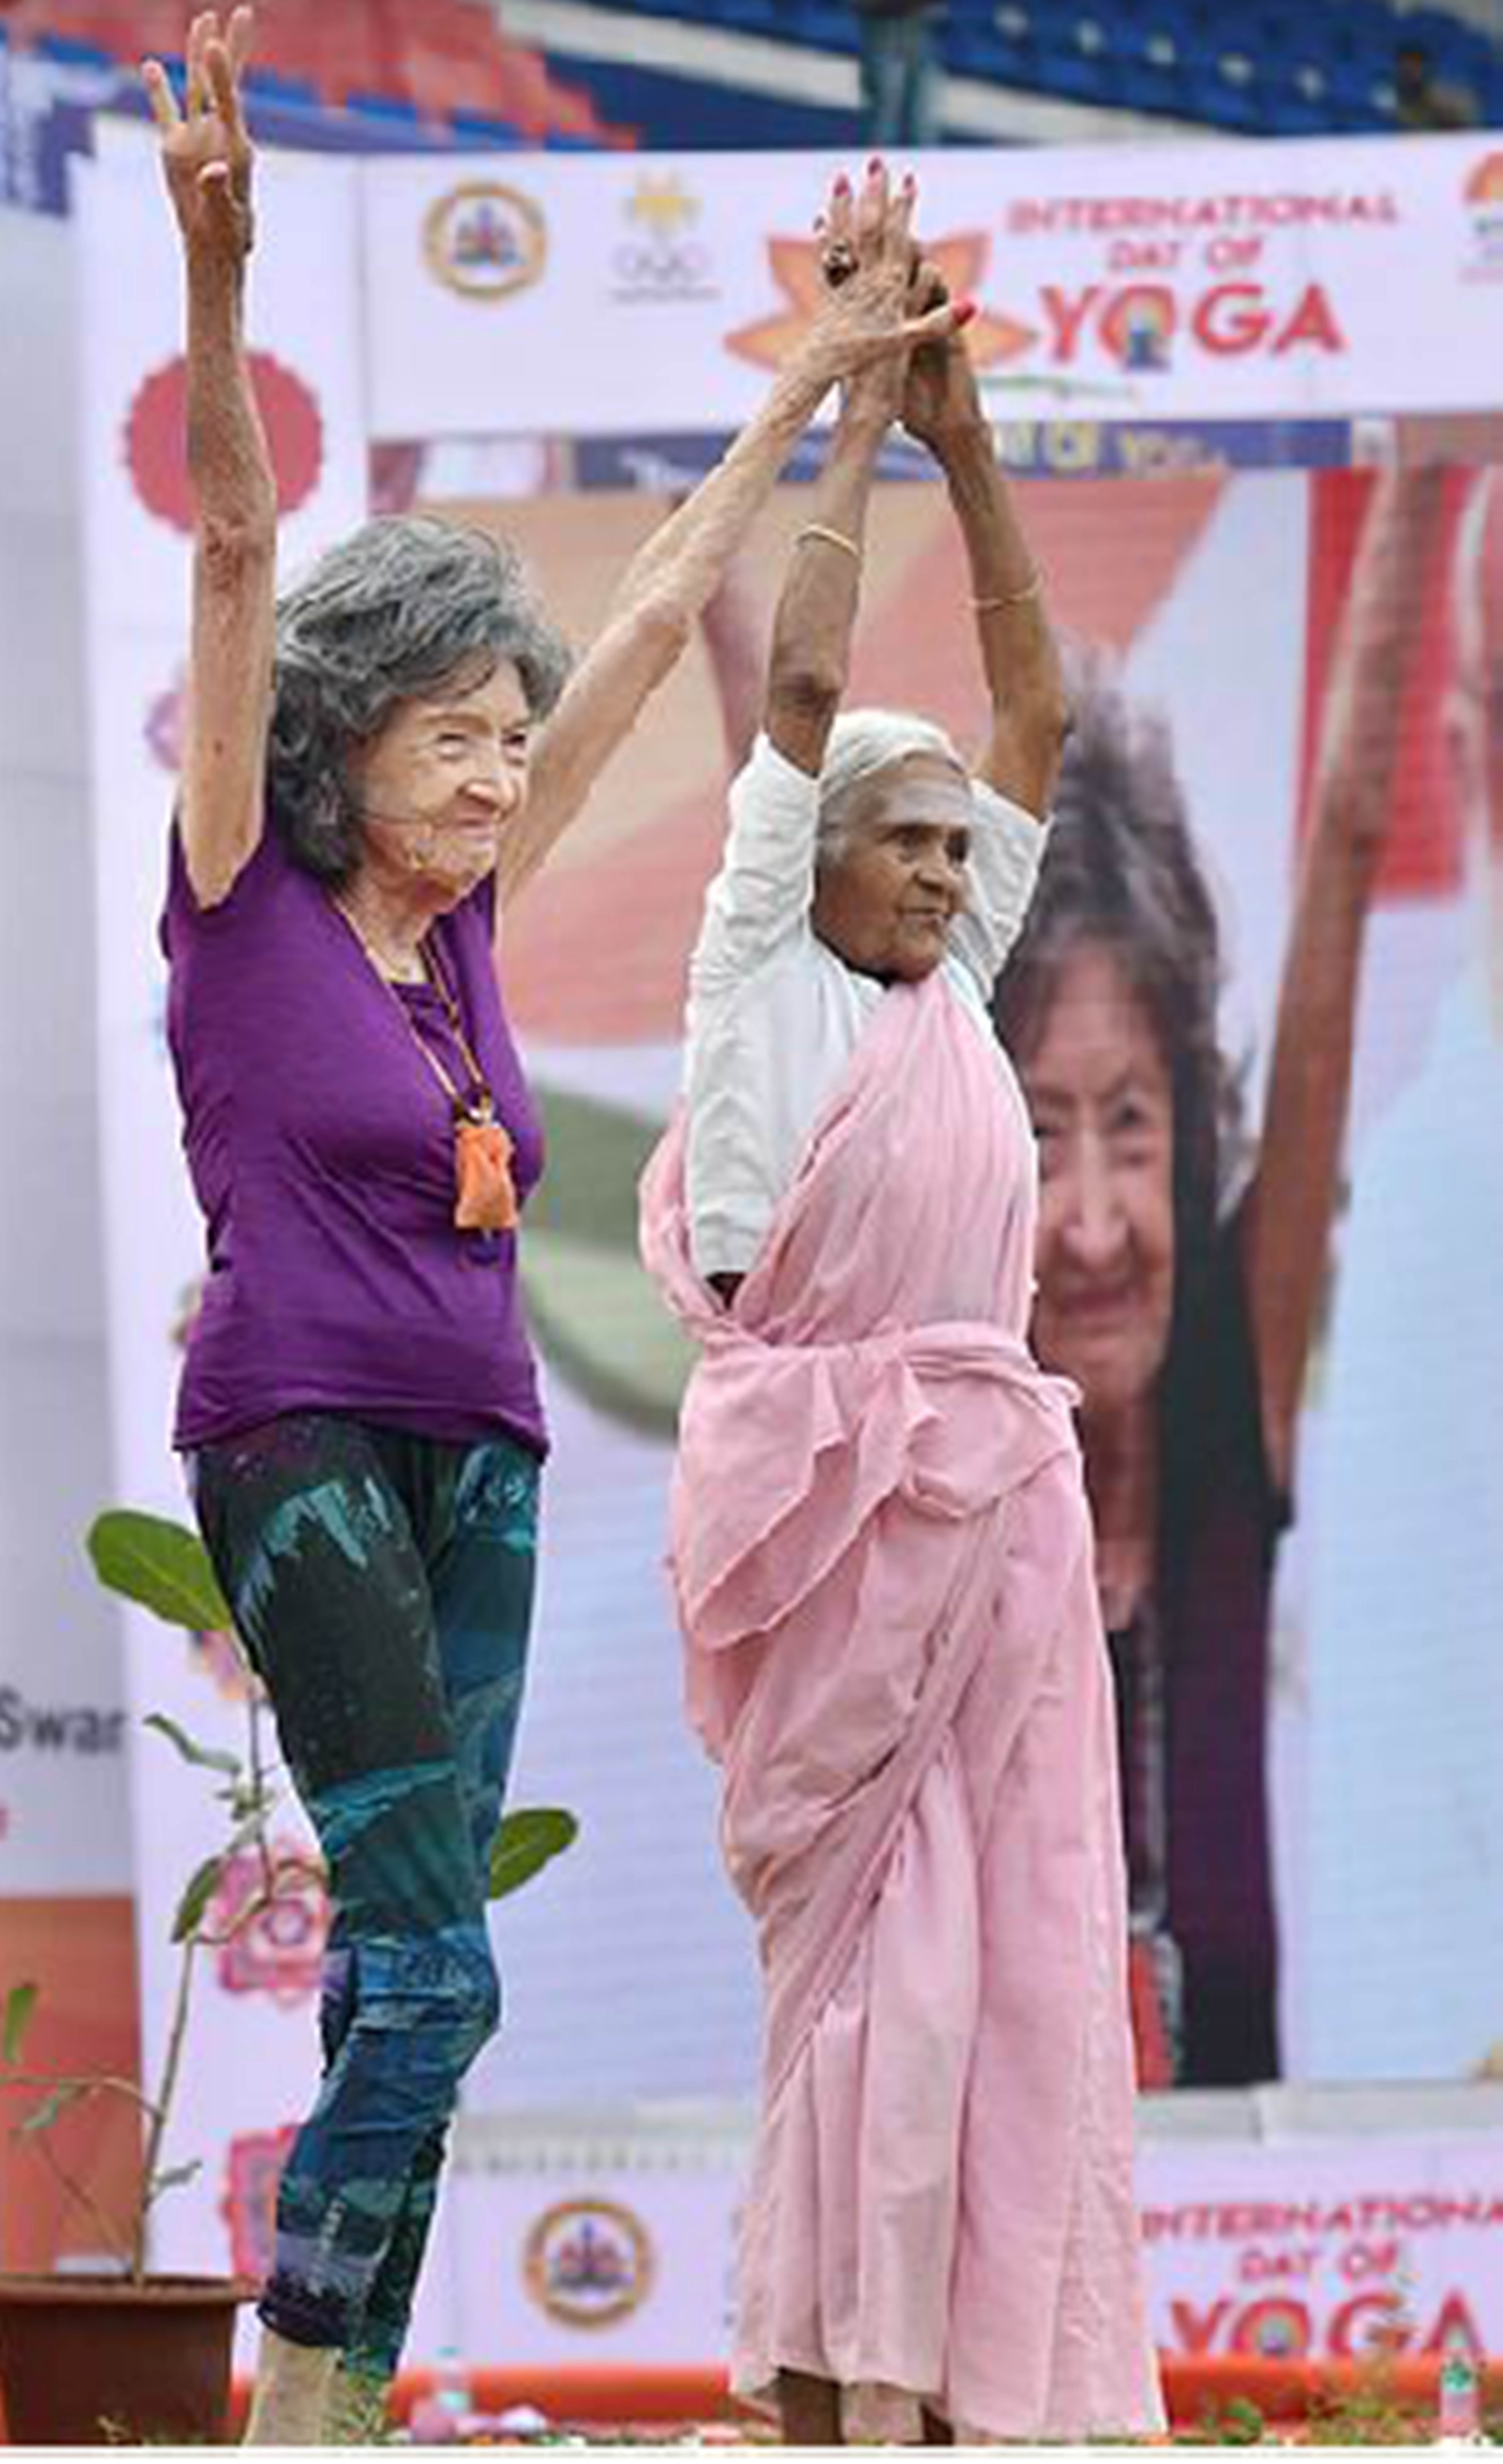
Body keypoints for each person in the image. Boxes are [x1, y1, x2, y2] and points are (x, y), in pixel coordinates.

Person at [144, 13, 964, 2442]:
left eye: (515, 739)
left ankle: (325, 2395)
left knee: (413, 1977)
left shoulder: (479, 929)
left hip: (485, 1452)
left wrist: (821, 382)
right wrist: (217, 285)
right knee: (436, 1968)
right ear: (338, 744)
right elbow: (227, 550)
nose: (502, 771)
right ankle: (296, 2392)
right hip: (296, 1441)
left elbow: (652, 618)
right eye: (452, 739)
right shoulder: (234, 887)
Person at [641, 182, 1162, 2445]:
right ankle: (825, 2373)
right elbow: (799, 685)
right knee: (868, 1980)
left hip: (990, 1526)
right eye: (911, 844)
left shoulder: (951, 988)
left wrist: (975, 451)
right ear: (821, 853)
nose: (947, 876)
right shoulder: (759, 955)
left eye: (962, 851)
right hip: (825, 1516)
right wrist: (859, 400)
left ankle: (957, 2386)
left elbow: (1037, 698)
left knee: (1005, 1972)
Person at [992, 470, 1449, 2087]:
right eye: (1040, 1135)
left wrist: (1417, 457)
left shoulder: (1223, 1405)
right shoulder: (934, 1445)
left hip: (1241, 2252)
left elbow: (1336, 848)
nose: (1097, 1217)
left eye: (1130, 1126)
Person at [855, 0, 945, 148]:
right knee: (884, 120)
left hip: (921, 36)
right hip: (883, 37)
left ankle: (926, 169)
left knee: (923, 123)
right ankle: (881, 168)